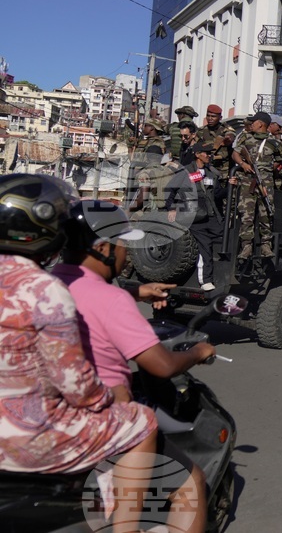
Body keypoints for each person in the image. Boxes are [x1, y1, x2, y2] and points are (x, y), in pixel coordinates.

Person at [0, 174, 159, 531]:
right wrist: (112, 396)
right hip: (28, 440)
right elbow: (75, 383)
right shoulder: (43, 288)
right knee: (142, 422)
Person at [54, 198, 214, 532]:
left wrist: (137, 292)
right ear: (103, 248)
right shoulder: (111, 301)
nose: (126, 253)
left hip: (55, 417)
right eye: (123, 244)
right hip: (107, 419)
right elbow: (162, 365)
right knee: (191, 485)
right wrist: (198, 352)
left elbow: (85, 294)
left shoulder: (48, 282)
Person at [165, 141, 225, 290]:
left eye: (211, 153)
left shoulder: (211, 172)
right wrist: (171, 208)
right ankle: (205, 280)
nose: (210, 156)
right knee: (205, 246)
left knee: (224, 238)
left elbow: (217, 194)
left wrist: (230, 186)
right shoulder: (185, 172)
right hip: (194, 217)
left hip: (212, 215)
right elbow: (169, 190)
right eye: (207, 153)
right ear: (198, 155)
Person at [231, 111, 282, 259]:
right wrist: (243, 164)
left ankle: (265, 245)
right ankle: (246, 246)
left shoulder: (274, 142)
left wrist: (268, 168)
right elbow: (235, 154)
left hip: (266, 181)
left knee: (266, 212)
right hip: (248, 180)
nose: (251, 124)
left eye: (254, 121)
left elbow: (281, 158)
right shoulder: (245, 137)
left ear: (261, 123)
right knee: (246, 214)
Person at [196, 104, 236, 177]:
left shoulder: (225, 128)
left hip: (223, 170)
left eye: (213, 116)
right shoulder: (201, 131)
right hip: (206, 169)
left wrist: (228, 139)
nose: (210, 119)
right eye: (208, 116)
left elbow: (231, 134)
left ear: (220, 118)